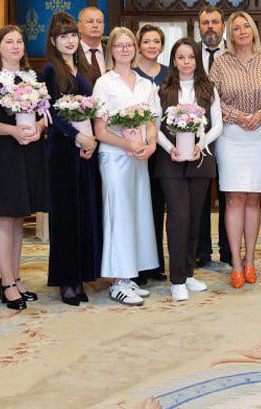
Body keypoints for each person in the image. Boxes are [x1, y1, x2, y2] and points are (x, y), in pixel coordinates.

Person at [0, 25, 48, 308]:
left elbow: (44, 113)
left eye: (19, 41)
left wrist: (39, 126)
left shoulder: (32, 78)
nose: (15, 46)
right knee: (4, 217)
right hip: (2, 156)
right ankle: (5, 282)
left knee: (19, 218)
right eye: (9, 41)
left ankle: (16, 277)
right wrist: (13, 131)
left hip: (28, 154)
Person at [209, 11, 261, 288]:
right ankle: (236, 263)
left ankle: (250, 259)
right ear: (230, 34)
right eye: (236, 28)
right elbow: (212, 99)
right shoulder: (220, 63)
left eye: (245, 27)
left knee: (253, 197)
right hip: (230, 135)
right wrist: (237, 116)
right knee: (234, 197)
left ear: (253, 31)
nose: (241, 32)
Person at [93, 27, 161, 305]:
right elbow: (99, 130)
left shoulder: (145, 84)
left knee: (137, 215)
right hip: (115, 157)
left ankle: (130, 275)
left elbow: (152, 122)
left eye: (129, 44)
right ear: (111, 50)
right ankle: (117, 282)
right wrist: (127, 144)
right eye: (119, 45)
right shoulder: (104, 83)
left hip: (139, 158)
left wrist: (151, 144)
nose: (124, 49)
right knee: (118, 215)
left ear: (135, 49)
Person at [153, 38, 224, 301]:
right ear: (174, 60)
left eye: (191, 57)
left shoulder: (208, 89)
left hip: (200, 159)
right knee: (178, 217)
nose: (186, 62)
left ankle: (189, 272)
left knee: (195, 217)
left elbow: (218, 125)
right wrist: (169, 147)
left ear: (197, 60)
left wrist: (200, 145)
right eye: (181, 57)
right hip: (169, 161)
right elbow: (154, 126)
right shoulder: (162, 90)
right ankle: (177, 279)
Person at [41, 12, 102, 305]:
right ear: (53, 41)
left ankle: (82, 274)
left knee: (84, 212)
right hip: (63, 151)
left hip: (87, 150)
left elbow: (93, 108)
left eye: (72, 35)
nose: (69, 40)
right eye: (63, 36)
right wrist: (79, 137)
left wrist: (91, 140)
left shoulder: (84, 68)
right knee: (66, 216)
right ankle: (66, 280)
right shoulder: (50, 70)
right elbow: (51, 113)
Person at [195, 7, 232, 270]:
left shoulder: (234, 52)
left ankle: (228, 250)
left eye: (215, 22)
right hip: (194, 134)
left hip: (230, 133)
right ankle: (201, 251)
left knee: (228, 192)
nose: (210, 27)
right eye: (205, 22)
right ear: (199, 27)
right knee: (199, 194)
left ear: (223, 26)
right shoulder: (189, 53)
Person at [134, 23, 169, 283]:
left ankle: (155, 263)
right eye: (146, 41)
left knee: (158, 206)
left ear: (162, 46)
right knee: (139, 205)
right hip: (136, 147)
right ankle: (137, 265)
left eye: (156, 41)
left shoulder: (170, 73)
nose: (151, 46)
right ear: (139, 45)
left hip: (164, 148)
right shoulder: (131, 73)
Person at [78, 6, 108, 82]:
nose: (95, 25)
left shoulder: (111, 53)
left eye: (99, 22)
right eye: (90, 21)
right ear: (79, 26)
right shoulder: (72, 53)